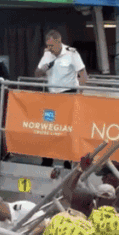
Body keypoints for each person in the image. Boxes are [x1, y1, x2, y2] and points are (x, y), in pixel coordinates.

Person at [36, 30, 86, 169]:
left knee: (67, 130)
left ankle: (68, 161)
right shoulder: (47, 54)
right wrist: (43, 69)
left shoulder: (72, 53)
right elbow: (37, 73)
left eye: (52, 46)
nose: (50, 49)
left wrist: (80, 95)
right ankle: (47, 160)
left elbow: (83, 74)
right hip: (52, 97)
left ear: (59, 41)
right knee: (49, 129)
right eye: (48, 46)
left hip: (68, 95)